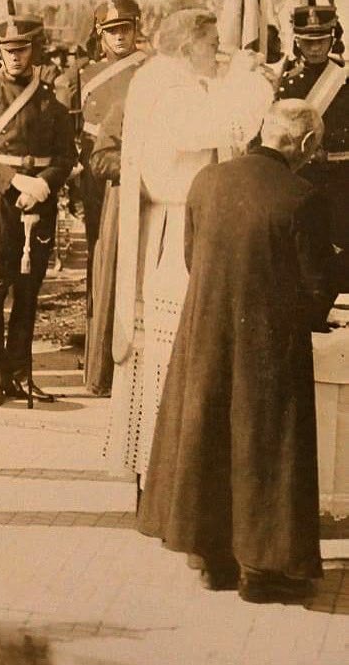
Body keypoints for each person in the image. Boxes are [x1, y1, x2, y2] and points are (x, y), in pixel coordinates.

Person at [138, 100, 336, 603]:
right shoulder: (303, 197)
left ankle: (210, 559)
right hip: (268, 343)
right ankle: (263, 572)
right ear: (308, 145)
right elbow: (316, 284)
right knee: (267, 449)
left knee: (208, 438)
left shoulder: (208, 181)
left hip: (205, 332)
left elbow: (191, 257)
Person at [104, 8, 273, 494]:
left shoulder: (169, 78)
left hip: (178, 223)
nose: (216, 51)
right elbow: (211, 129)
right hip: (173, 231)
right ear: (185, 46)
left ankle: (172, 476)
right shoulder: (170, 88)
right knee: (173, 353)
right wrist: (251, 84)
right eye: (210, 42)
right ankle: (164, 480)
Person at [0, 1, 77, 406]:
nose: (14, 56)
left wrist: (43, 185)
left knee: (29, 289)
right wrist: (14, 183)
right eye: (7, 50)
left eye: (22, 49)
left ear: (35, 50)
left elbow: (67, 156)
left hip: (39, 202)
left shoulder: (51, 99)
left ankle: (21, 372)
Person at [80, 0, 147, 397]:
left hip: (135, 172)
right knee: (99, 258)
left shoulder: (149, 68)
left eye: (125, 29)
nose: (119, 38)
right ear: (99, 35)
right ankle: (96, 350)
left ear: (137, 29)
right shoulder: (86, 74)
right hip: (95, 176)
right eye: (111, 31)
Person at [279, 5, 348, 288]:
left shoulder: (344, 80)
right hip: (301, 179)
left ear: (334, 37)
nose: (316, 47)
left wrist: (329, 152)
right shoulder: (285, 83)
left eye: (321, 39)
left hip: (342, 178)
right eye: (308, 40)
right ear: (297, 41)